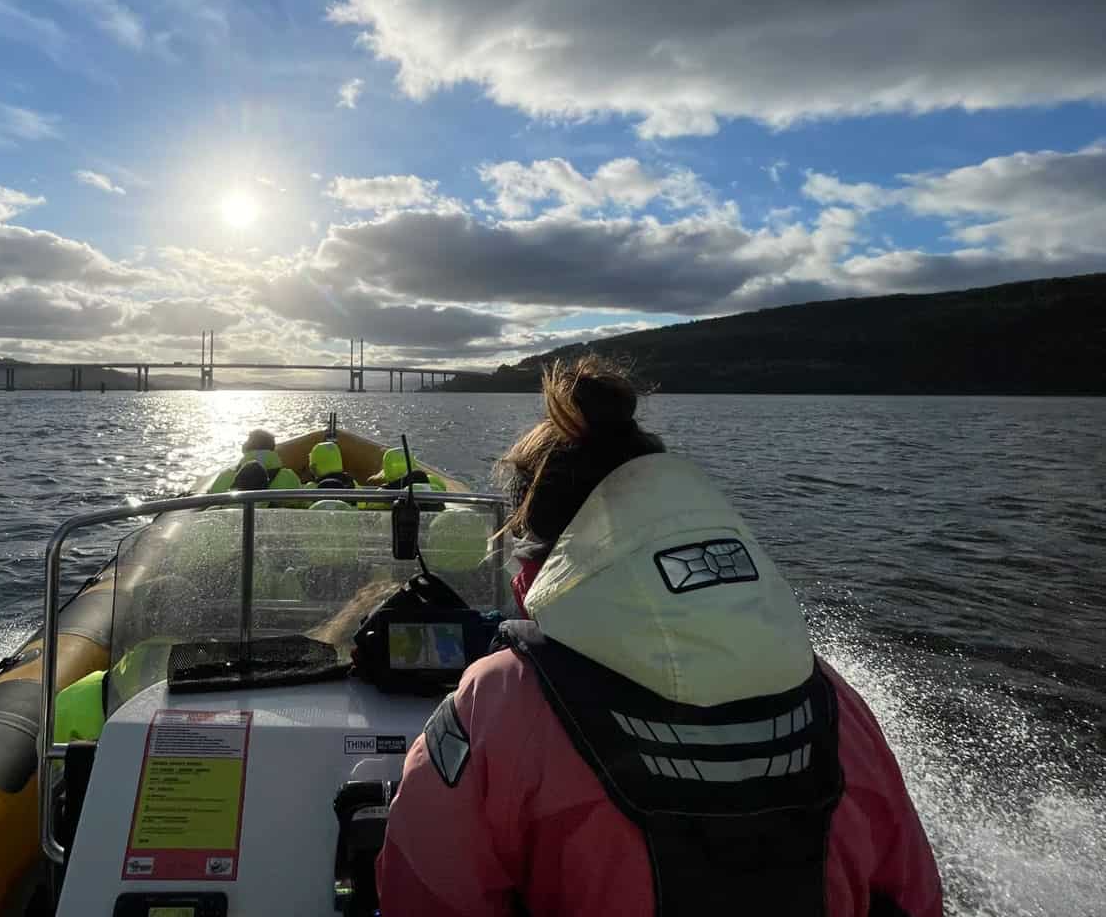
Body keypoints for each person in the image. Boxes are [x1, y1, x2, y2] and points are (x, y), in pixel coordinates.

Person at [376, 356, 941, 917]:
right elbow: (914, 895)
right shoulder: (831, 698)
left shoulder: (499, 702)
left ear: (541, 564)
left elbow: (418, 895)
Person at [207, 429, 300, 493]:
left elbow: (211, 502)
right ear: (272, 449)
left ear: (245, 448)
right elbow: (302, 503)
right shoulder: (288, 476)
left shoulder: (225, 476)